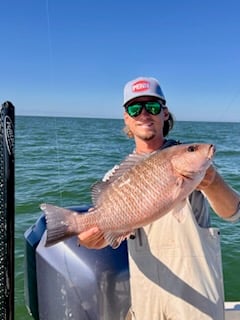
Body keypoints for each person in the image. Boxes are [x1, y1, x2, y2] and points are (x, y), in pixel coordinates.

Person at [78, 77, 240, 320]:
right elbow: (106, 237)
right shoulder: (114, 177)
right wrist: (90, 239)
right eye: (135, 108)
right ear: (127, 119)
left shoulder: (189, 159)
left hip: (197, 299)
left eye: (153, 107)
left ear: (165, 114)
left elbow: (234, 213)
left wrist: (213, 182)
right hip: (147, 298)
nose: (144, 114)